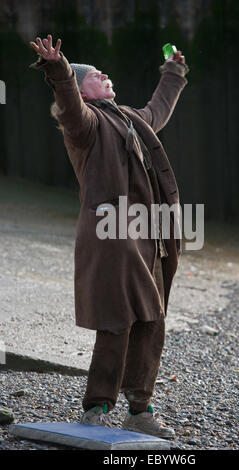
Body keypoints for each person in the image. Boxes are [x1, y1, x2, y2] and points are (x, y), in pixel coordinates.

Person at [29, 34, 189, 439]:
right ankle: (98, 407)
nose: (105, 75)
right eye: (96, 75)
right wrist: (59, 69)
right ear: (83, 90)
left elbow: (158, 110)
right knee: (118, 320)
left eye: (104, 72)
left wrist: (173, 71)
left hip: (145, 235)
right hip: (111, 239)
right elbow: (68, 102)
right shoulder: (83, 126)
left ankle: (140, 408)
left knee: (152, 319)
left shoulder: (130, 119)